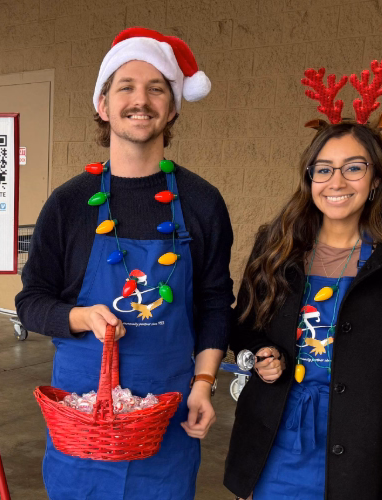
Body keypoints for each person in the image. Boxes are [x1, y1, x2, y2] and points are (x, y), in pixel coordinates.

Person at [15, 27, 233, 499]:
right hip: (82, 418)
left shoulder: (202, 202)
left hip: (170, 414)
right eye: (126, 87)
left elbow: (215, 304)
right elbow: (31, 301)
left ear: (173, 107)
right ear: (103, 104)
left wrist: (204, 383)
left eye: (157, 88)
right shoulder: (70, 204)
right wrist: (79, 316)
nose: (142, 100)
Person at [222, 60, 382, 500]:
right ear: (309, 178)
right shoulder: (276, 244)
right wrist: (260, 351)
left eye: (353, 168)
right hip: (274, 438)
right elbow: (243, 324)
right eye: (323, 169)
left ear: (376, 178)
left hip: (360, 445)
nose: (336, 181)